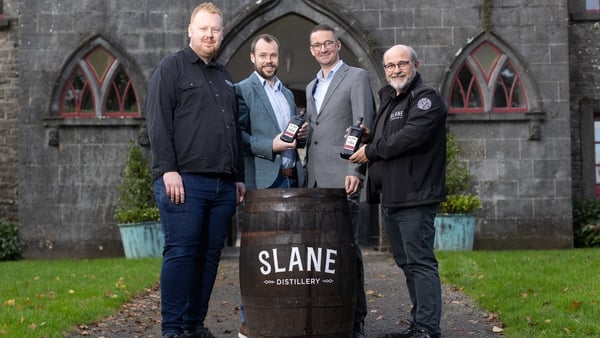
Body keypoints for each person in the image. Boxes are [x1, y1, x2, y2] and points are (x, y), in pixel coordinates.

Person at [145, 3, 246, 338]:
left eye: (215, 29)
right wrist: (168, 170)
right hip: (184, 183)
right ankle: (172, 330)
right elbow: (158, 124)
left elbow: (232, 127)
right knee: (181, 254)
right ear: (190, 30)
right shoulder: (170, 69)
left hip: (222, 186)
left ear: (222, 32)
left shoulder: (224, 76)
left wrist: (239, 177)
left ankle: (193, 326)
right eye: (203, 28)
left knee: (209, 258)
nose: (209, 35)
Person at [349, 44, 447, 338]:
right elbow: (390, 135)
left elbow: (409, 137)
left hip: (416, 196)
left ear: (416, 64)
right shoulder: (390, 98)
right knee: (406, 262)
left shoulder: (426, 98)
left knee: (420, 262)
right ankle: (419, 324)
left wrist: (371, 149)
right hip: (392, 196)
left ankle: (428, 329)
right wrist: (369, 136)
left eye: (402, 64)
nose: (395, 70)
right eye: (390, 66)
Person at [304, 23, 375, 338]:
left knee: (347, 250)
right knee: (321, 253)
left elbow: (363, 128)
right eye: (317, 45)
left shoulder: (356, 77)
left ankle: (355, 318)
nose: (323, 49)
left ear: (338, 45)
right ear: (311, 50)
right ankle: (329, 313)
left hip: (343, 178)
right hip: (315, 181)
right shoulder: (310, 87)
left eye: (327, 43)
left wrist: (354, 171)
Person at [234, 33, 306, 338]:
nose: (269, 61)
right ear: (253, 58)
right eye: (263, 56)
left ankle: (283, 317)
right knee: (257, 256)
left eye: (273, 55)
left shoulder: (287, 94)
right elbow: (237, 136)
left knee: (289, 255)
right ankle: (250, 323)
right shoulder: (241, 90)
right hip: (262, 181)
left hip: (292, 178)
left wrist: (299, 138)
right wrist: (270, 146)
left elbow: (287, 135)